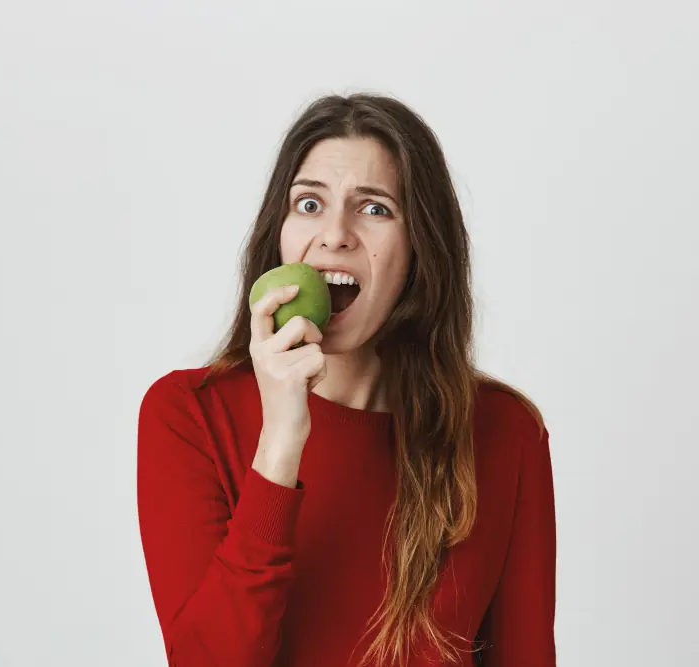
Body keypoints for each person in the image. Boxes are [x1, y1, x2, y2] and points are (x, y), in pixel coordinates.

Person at [136, 93, 556, 667]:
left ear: (420, 247)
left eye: (375, 208)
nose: (334, 234)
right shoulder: (188, 413)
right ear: (279, 233)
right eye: (309, 204)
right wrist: (280, 444)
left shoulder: (505, 432)